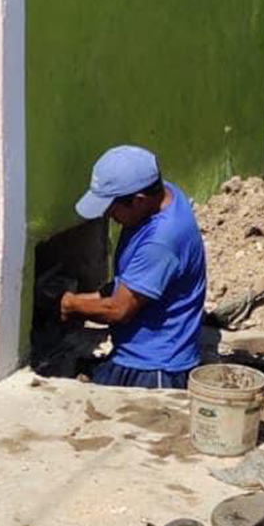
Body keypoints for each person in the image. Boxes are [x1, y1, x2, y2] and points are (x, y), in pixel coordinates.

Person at [61, 145, 206, 389]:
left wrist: (69, 304)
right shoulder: (166, 192)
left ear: (139, 201)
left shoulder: (162, 241)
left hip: (152, 368)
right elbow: (128, 286)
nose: (108, 215)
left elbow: (118, 309)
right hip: (142, 353)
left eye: (111, 208)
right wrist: (84, 299)